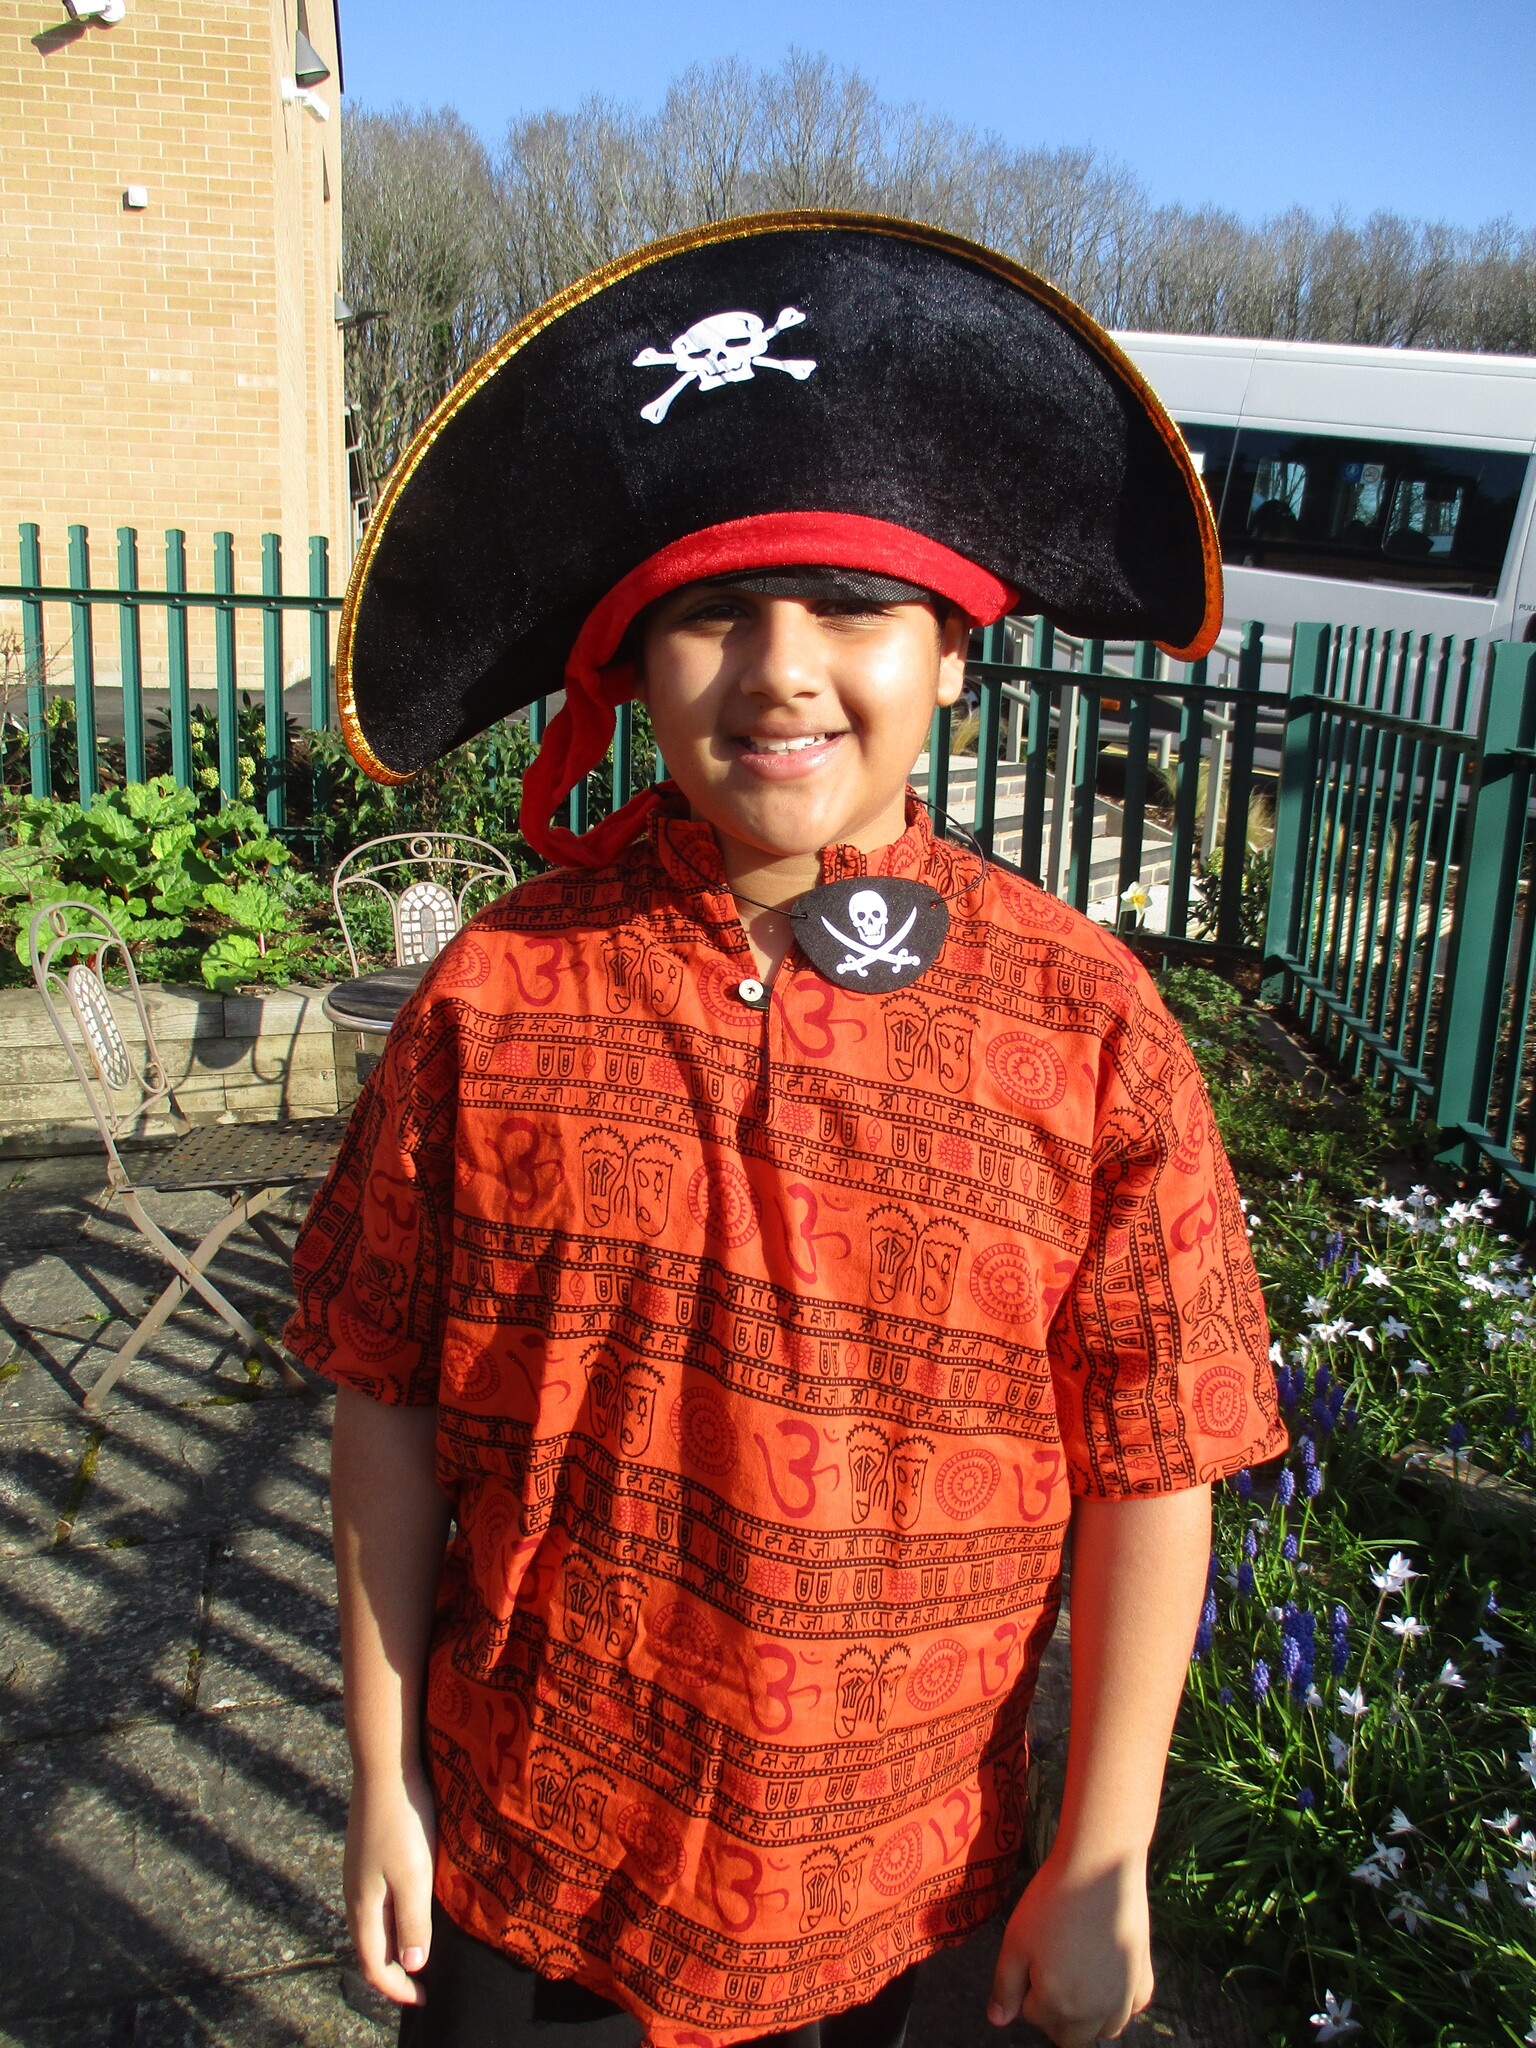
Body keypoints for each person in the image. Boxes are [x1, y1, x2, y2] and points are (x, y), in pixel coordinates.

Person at [287, 213, 1285, 2048]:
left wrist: (1104, 1854)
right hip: (533, 1856)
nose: (779, 671)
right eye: (709, 614)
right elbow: (386, 1399)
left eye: (854, 609)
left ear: (957, 654)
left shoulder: (1087, 1027)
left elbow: (1159, 1457)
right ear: (624, 667)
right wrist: (381, 1771)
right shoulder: (496, 999)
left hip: (919, 1895)